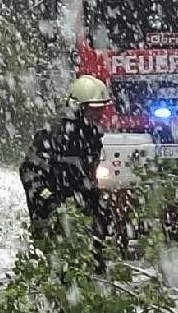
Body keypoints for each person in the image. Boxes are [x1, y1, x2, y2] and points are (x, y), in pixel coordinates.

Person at [19, 75, 112, 251]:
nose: (99, 115)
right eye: (94, 109)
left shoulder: (92, 138)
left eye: (102, 109)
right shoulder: (52, 136)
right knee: (59, 269)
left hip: (82, 221)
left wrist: (99, 208)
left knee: (95, 264)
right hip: (53, 223)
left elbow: (88, 178)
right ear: (78, 107)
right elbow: (29, 173)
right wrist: (50, 200)